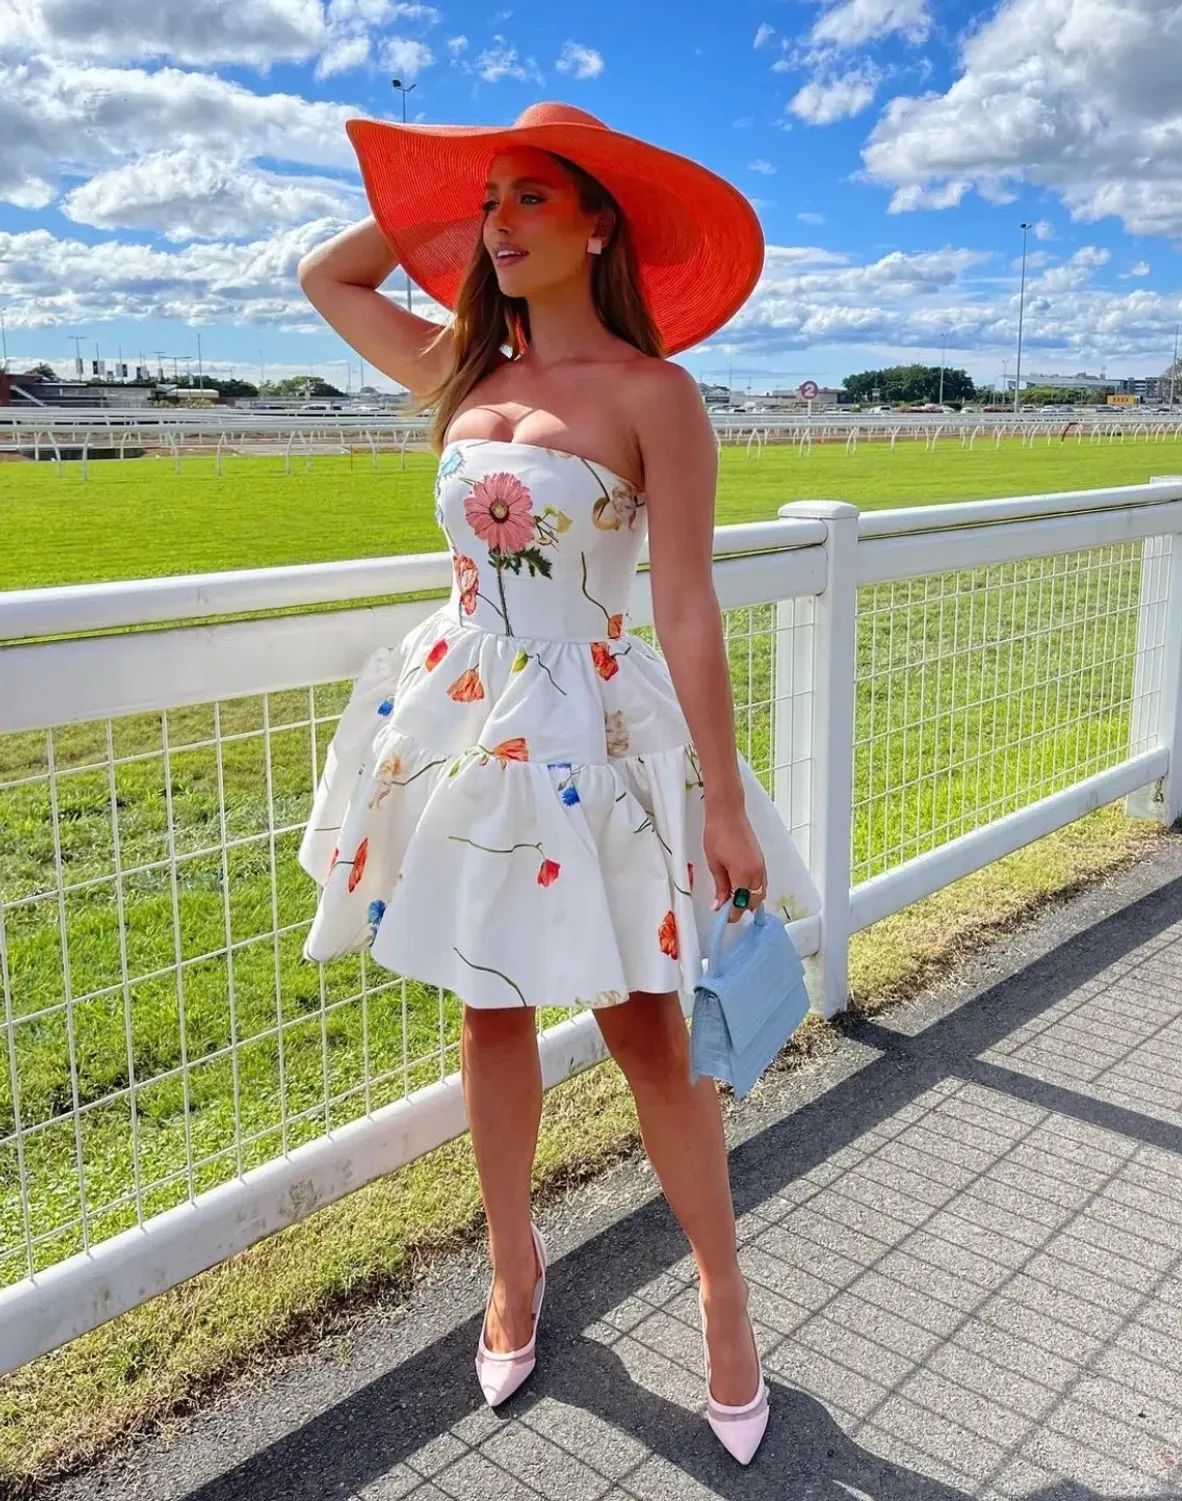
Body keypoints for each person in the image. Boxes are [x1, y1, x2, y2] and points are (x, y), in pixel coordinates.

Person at [295, 101, 819, 1466]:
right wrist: (437, 193)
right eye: (492, 203)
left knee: (650, 1027)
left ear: (601, 224)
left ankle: (721, 1294)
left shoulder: (658, 396)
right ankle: (514, 1269)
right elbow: (325, 276)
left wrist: (717, 799)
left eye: (536, 198)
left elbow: (689, 607)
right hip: (471, 720)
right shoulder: (461, 368)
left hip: (602, 732)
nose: (503, 223)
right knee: (489, 1016)